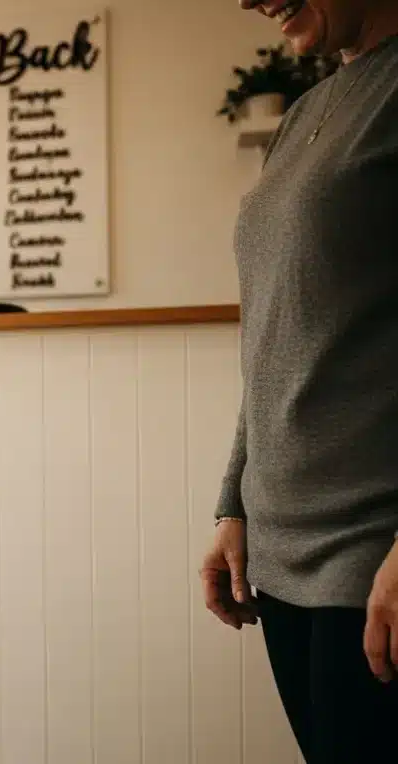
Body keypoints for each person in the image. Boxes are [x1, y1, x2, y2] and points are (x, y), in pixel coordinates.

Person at [201, 1, 398, 761]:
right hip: (280, 554)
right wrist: (234, 504)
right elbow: (275, 329)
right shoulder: (306, 112)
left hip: (372, 549)